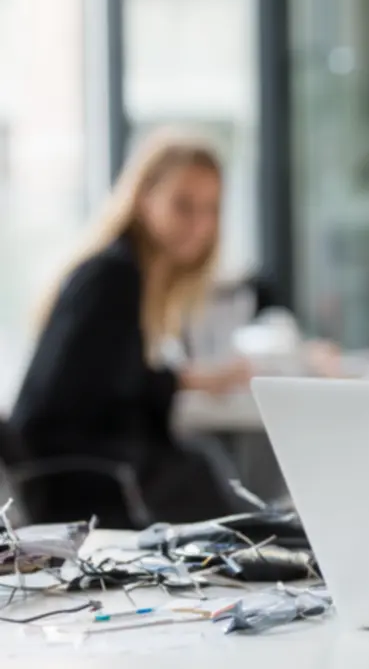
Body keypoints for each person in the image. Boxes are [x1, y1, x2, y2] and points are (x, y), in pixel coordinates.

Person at [12, 129, 252, 527]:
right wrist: (187, 381)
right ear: (144, 198)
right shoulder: (114, 276)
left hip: (78, 471)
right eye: (183, 206)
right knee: (206, 482)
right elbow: (99, 393)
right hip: (77, 479)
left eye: (211, 209)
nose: (200, 224)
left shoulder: (122, 271)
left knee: (204, 469)